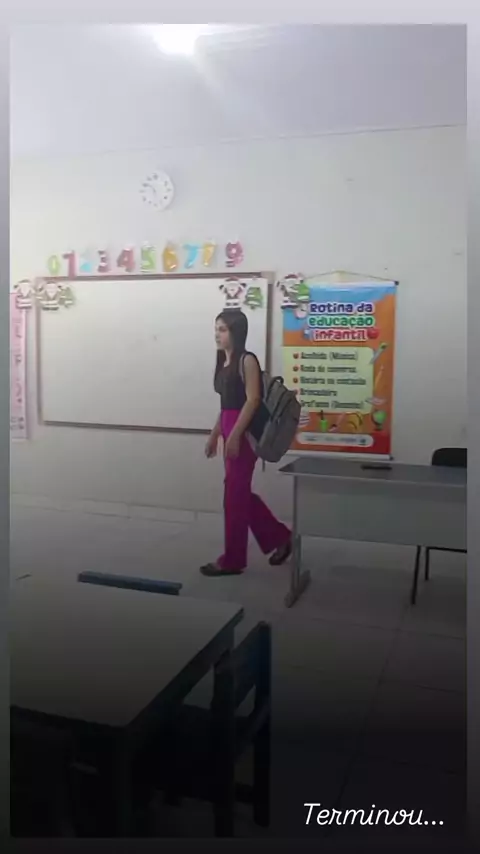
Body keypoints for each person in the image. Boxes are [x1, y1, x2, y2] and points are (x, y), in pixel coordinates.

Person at [200, 310, 292, 576]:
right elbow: (226, 405)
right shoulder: (223, 361)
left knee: (234, 495)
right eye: (216, 329)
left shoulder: (246, 360)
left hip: (245, 431)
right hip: (230, 426)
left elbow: (252, 400)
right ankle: (281, 537)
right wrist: (215, 434)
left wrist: (235, 435)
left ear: (237, 332)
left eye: (223, 329)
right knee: (236, 492)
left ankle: (233, 559)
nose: (217, 334)